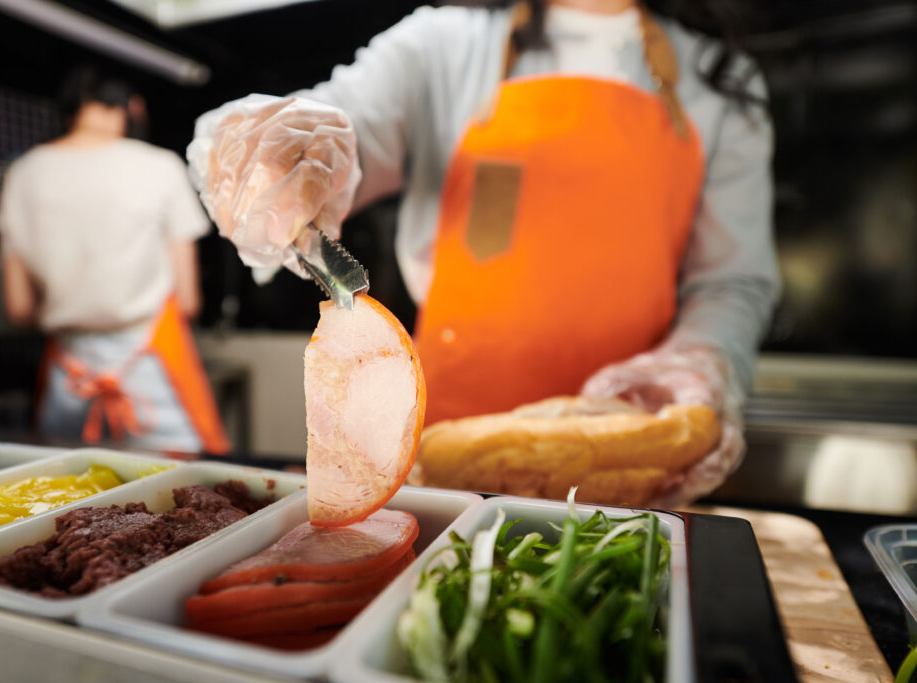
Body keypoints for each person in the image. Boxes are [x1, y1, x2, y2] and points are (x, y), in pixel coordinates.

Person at [186, 0, 780, 504]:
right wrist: (277, 150)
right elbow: (342, 127)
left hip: (626, 454)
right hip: (442, 455)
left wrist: (700, 363)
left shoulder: (721, 80)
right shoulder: (441, 46)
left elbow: (731, 283)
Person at [0, 67, 230, 455]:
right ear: (131, 108)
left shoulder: (23, 173)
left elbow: (18, 309)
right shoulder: (159, 166)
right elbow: (188, 301)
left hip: (69, 378)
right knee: (182, 500)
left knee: (71, 497)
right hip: (150, 371)